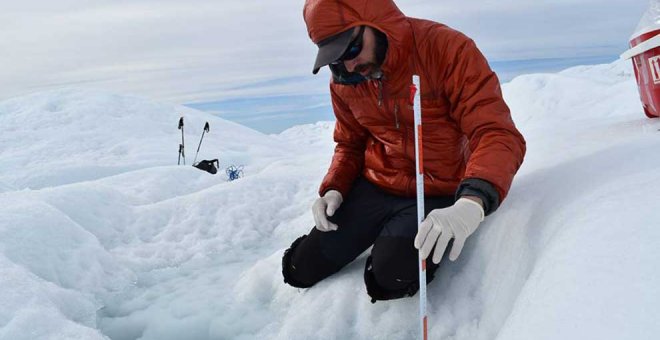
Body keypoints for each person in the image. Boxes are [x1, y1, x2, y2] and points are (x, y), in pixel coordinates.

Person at [282, 0, 526, 302]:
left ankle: (392, 243)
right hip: (378, 183)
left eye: (351, 49)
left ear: (376, 22)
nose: (348, 66)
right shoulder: (345, 80)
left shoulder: (446, 49)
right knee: (299, 269)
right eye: (336, 57)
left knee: (391, 276)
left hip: (438, 186)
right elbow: (350, 142)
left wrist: (473, 200)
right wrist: (334, 188)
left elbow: (495, 132)